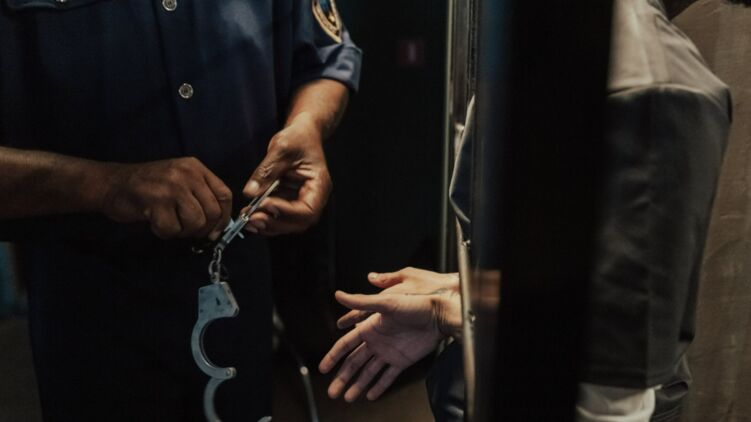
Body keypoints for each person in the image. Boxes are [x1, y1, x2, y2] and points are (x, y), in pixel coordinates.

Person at [319, 0, 740, 420]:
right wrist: (460, 293)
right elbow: (571, 269)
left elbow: (608, 393)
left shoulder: (654, 88)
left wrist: (450, 312)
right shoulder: (556, 40)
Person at [0, 0, 361, 420]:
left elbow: (323, 58)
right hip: (90, 307)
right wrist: (105, 185)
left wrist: (307, 125)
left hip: (240, 286)